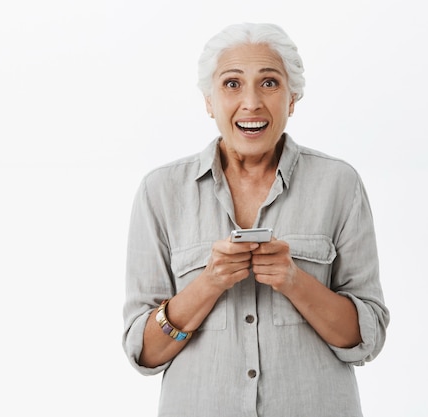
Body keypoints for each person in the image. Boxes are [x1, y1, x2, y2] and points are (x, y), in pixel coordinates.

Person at [122, 22, 389, 416]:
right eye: (232, 84)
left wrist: (295, 280)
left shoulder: (339, 184)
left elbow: (367, 339)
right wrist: (208, 283)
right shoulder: (160, 192)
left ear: (292, 98)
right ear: (209, 100)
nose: (251, 102)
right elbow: (144, 353)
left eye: (269, 83)